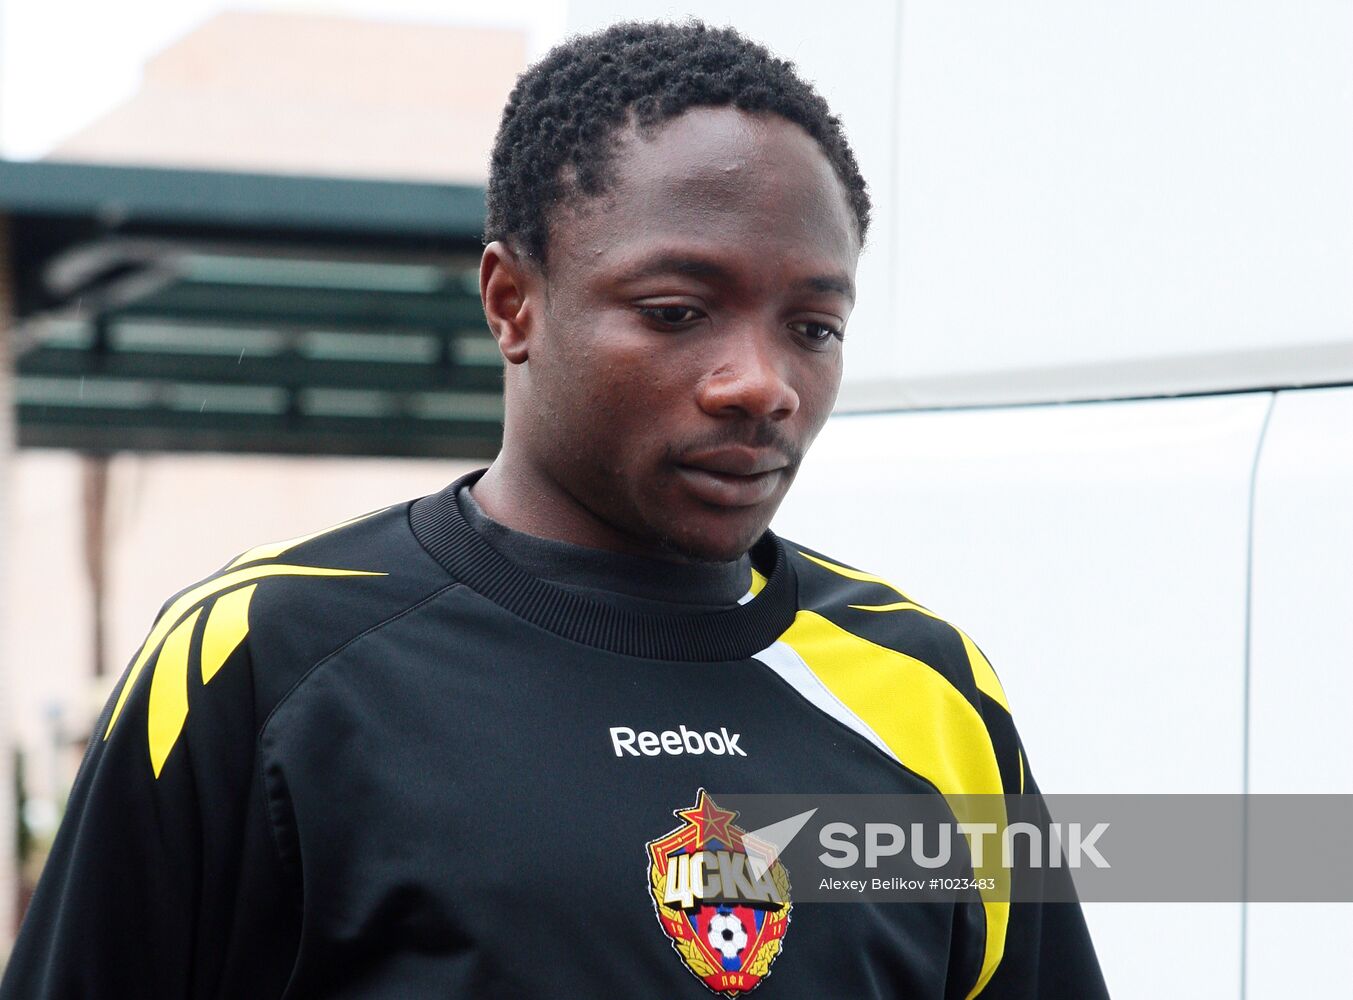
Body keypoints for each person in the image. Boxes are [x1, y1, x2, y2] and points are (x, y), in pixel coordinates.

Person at [1, 20, 1107, 999]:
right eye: (678, 310)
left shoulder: (931, 693)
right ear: (510, 301)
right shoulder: (262, 659)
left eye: (813, 327)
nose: (760, 382)